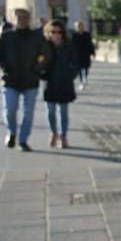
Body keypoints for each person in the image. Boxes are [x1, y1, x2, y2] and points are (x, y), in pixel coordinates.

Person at [0, 8, 52, 152]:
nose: (22, 20)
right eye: (19, 18)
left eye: (25, 18)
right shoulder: (6, 36)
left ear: (29, 19)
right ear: (14, 19)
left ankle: (23, 139)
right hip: (10, 80)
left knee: (28, 112)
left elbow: (46, 54)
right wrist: (6, 68)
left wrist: (37, 69)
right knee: (10, 110)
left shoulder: (36, 37)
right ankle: (11, 132)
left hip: (30, 80)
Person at [42, 19, 78, 148]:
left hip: (64, 82)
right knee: (50, 111)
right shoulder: (44, 45)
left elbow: (75, 63)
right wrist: (41, 74)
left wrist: (70, 76)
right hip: (50, 82)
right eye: (53, 31)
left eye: (59, 32)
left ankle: (63, 136)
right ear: (49, 32)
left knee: (63, 111)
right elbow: (38, 62)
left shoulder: (68, 45)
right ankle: (53, 133)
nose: (57, 34)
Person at [71, 21, 95, 89]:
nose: (79, 28)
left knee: (86, 68)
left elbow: (90, 44)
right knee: (79, 69)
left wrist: (92, 53)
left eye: (80, 26)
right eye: (78, 26)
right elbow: (71, 46)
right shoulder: (74, 35)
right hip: (77, 55)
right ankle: (82, 81)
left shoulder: (87, 34)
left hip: (85, 54)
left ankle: (85, 78)